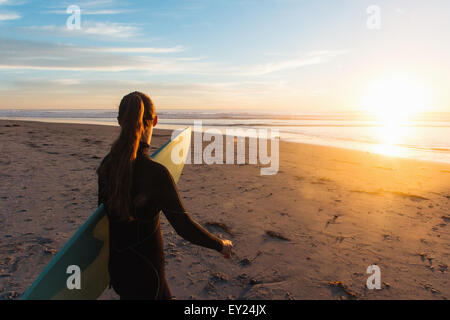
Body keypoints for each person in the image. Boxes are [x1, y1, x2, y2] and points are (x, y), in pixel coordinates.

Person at [97, 91, 233, 300]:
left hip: (118, 273)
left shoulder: (106, 166)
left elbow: (104, 220)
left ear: (119, 121)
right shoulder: (155, 174)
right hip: (147, 276)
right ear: (155, 121)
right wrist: (219, 245)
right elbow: (184, 227)